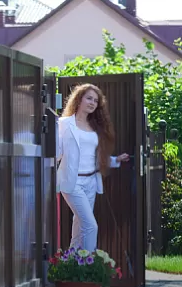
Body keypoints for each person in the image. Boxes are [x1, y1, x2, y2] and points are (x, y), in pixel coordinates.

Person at [55, 84, 130, 252]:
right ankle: (90, 262)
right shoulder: (64, 124)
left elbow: (95, 156)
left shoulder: (94, 126)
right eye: (89, 98)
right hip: (72, 182)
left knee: (79, 224)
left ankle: (72, 260)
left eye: (96, 101)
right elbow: (57, 153)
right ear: (78, 99)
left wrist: (115, 160)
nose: (92, 103)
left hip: (91, 181)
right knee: (91, 225)